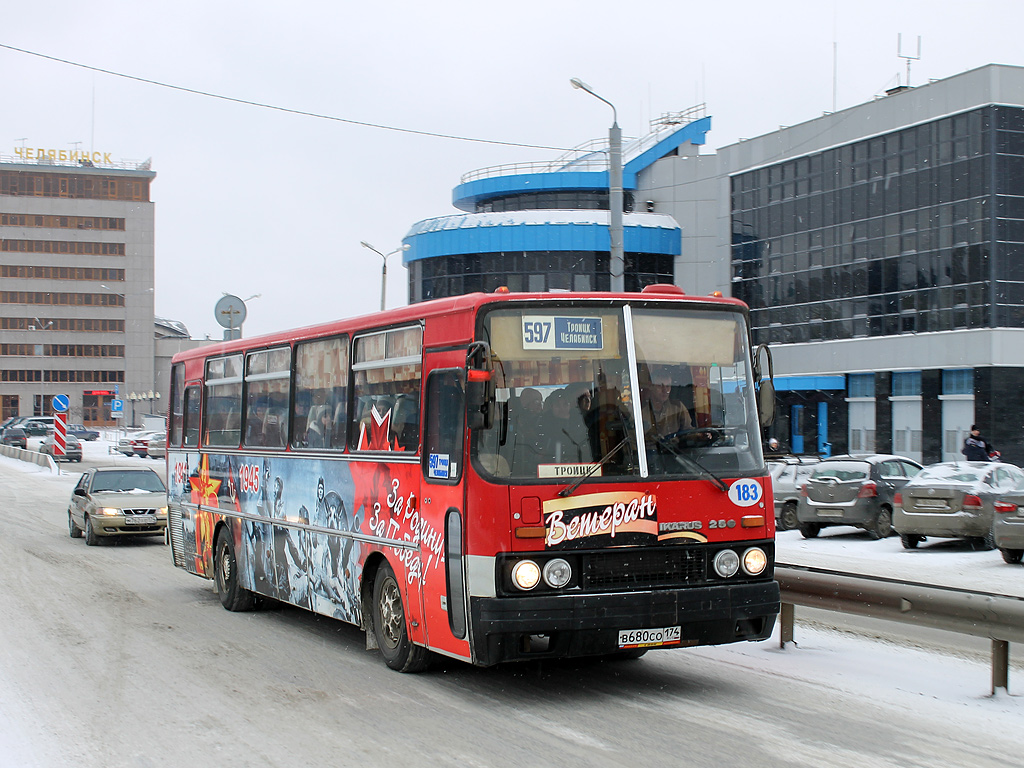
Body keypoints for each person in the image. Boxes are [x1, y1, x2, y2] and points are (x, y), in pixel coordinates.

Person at [639, 366, 692, 441]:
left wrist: (699, 436)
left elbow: (688, 432)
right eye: (660, 386)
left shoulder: (677, 407)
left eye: (668, 386)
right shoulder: (640, 410)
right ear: (650, 386)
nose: (665, 390)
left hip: (674, 451)